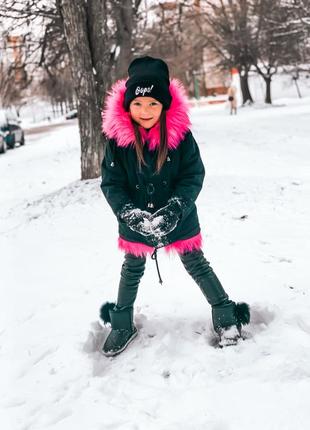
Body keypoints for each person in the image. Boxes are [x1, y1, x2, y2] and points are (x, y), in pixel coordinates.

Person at [100, 56, 250, 356]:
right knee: (132, 269)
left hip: (179, 216)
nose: (145, 111)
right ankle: (121, 324)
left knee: (196, 263)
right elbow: (112, 183)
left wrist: (175, 210)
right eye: (139, 104)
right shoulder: (117, 141)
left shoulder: (181, 137)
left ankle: (225, 315)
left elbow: (193, 175)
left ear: (165, 105)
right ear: (128, 105)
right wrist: (130, 215)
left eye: (153, 104)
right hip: (135, 220)